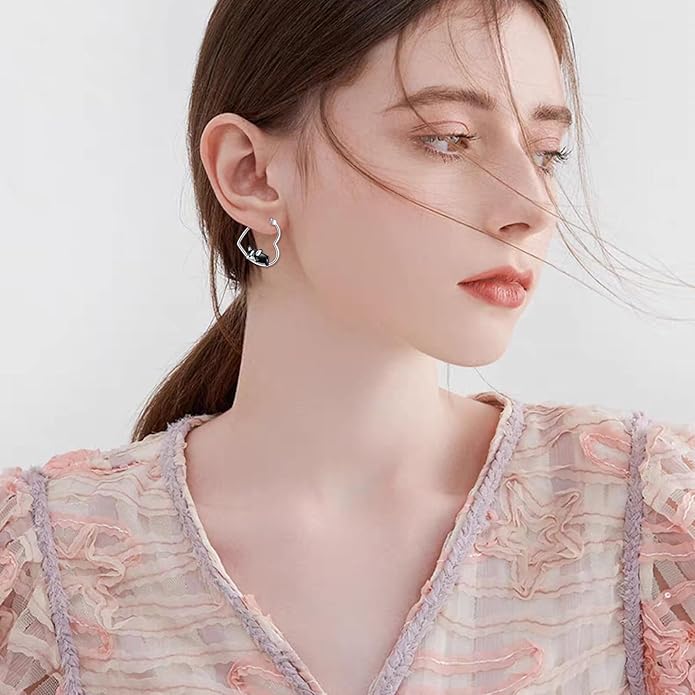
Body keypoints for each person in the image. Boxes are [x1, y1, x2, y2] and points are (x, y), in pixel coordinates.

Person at [2, 1, 693, 693]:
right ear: (250, 172)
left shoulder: (653, 523)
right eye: (448, 139)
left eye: (546, 151)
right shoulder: (41, 561)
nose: (532, 207)